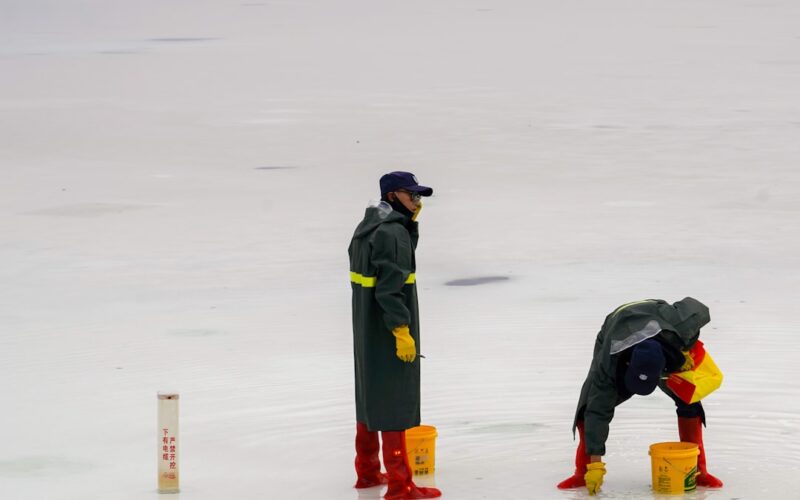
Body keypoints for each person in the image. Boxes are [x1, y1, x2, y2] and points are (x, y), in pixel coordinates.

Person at [557, 298, 724, 495]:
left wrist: (688, 346)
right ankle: (582, 472)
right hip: (615, 327)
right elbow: (597, 412)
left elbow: (699, 309)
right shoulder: (608, 366)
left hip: (659, 321)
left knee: (689, 399)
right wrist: (595, 465)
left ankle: (698, 471)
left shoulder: (679, 329)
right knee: (590, 404)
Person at [348, 171, 441, 500]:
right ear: (391, 196)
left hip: (367, 328)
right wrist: (402, 331)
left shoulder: (367, 227)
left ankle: (368, 471)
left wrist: (410, 224)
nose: (416, 201)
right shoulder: (392, 233)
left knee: (370, 396)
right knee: (394, 401)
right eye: (410, 194)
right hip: (389, 328)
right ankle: (401, 486)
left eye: (418, 196)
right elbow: (391, 289)